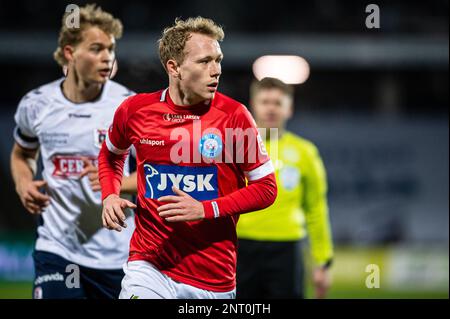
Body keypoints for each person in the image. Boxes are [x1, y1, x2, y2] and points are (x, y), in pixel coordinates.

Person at [98, 17, 278, 299]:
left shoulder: (234, 116)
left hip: (213, 279)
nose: (216, 70)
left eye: (218, 60)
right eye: (205, 61)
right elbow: (110, 154)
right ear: (174, 67)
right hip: (149, 267)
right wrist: (109, 194)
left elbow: (266, 188)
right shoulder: (135, 111)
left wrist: (207, 208)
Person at [10, 4, 136, 299]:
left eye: (110, 49)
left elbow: (157, 173)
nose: (107, 57)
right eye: (96, 49)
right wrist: (23, 182)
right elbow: (22, 153)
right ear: (70, 53)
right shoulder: (37, 105)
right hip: (58, 248)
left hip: (118, 254)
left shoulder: (128, 107)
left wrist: (116, 182)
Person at [236, 77, 334, 299]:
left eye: (278, 103)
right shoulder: (235, 148)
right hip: (240, 246)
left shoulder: (305, 152)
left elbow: (316, 209)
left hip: (287, 249)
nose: (271, 108)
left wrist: (322, 261)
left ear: (290, 109)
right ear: (253, 105)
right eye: (265, 101)